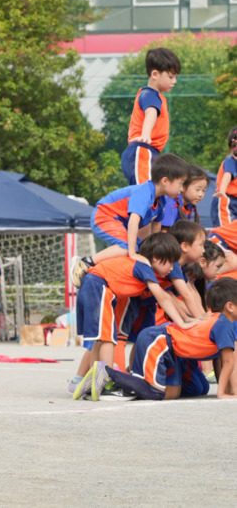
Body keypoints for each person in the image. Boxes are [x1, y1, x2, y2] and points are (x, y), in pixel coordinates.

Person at [71, 233, 193, 400]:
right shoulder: (144, 266)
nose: (172, 268)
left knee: (99, 339)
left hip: (91, 284)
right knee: (108, 338)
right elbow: (162, 297)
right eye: (170, 262)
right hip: (98, 286)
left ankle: (94, 380)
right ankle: (107, 382)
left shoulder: (139, 265)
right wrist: (182, 323)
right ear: (156, 258)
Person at [70, 152, 188, 286]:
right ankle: (85, 262)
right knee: (128, 247)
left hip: (117, 221)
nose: (182, 189)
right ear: (165, 181)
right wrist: (133, 253)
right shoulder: (145, 192)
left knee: (138, 247)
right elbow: (133, 222)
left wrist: (154, 251)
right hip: (104, 216)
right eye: (180, 184)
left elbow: (156, 227)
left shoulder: (161, 201)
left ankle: (103, 270)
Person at [118, 276, 237, 400]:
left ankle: (135, 386)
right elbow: (229, 362)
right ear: (230, 306)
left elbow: (221, 360)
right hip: (158, 339)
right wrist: (222, 394)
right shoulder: (224, 324)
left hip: (172, 349)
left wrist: (228, 391)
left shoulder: (220, 321)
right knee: (159, 393)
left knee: (189, 390)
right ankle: (117, 379)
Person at [119, 47, 180, 185]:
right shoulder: (150, 94)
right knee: (144, 189)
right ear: (155, 74)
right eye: (171, 77)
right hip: (142, 149)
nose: (174, 81)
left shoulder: (157, 96)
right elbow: (151, 113)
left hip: (150, 151)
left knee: (153, 190)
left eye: (176, 77)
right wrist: (146, 135)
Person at [160, 164, 207, 229]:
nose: (201, 194)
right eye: (197, 189)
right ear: (183, 186)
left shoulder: (189, 206)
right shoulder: (171, 204)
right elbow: (164, 231)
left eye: (204, 190)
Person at [211, 126, 237, 227]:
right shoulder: (230, 160)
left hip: (234, 200)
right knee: (225, 230)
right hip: (226, 199)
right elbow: (227, 175)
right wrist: (222, 191)